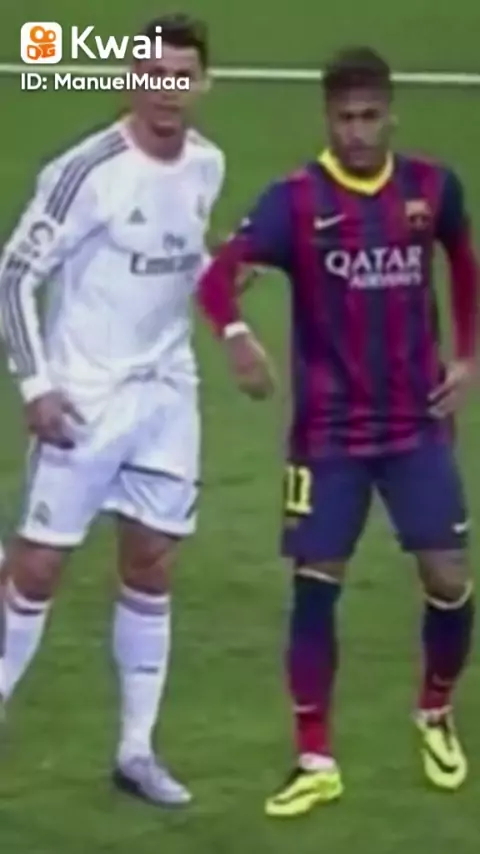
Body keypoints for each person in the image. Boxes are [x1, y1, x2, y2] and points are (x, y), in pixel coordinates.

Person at [197, 46, 478, 817]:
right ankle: (315, 757)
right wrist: (236, 337)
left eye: (368, 117)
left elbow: (462, 256)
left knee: (449, 579)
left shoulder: (431, 188)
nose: (356, 131)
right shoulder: (295, 201)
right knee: (316, 584)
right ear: (327, 117)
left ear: (391, 116)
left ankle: (435, 709)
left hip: (417, 427)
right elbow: (218, 276)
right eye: (344, 118)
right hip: (328, 437)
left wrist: (468, 355)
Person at [0, 13, 226, 807]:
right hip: (84, 399)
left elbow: (189, 254)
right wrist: (36, 385)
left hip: (166, 398)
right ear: (132, 79)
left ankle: (136, 751)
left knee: (152, 563)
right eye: (153, 75)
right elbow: (13, 275)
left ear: (203, 84)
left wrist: (228, 313)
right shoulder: (87, 171)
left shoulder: (207, 165)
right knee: (36, 568)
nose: (167, 90)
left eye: (182, 76)